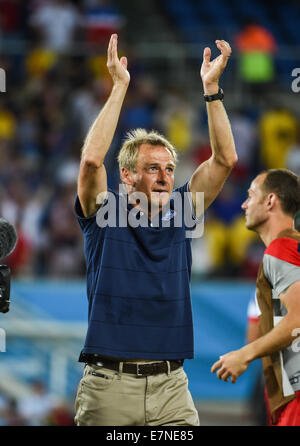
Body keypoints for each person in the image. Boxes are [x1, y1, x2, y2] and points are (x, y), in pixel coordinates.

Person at [74, 33, 237, 426]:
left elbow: (225, 159)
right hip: (109, 387)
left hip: (172, 388)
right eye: (152, 168)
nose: (165, 177)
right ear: (127, 176)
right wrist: (119, 88)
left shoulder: (183, 210)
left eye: (168, 169)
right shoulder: (103, 214)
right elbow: (92, 161)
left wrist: (211, 91)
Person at [211, 169, 300, 426]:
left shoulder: (280, 249)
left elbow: (297, 320)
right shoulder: (293, 246)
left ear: (270, 201)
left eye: (250, 195)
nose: (244, 204)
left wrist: (245, 354)